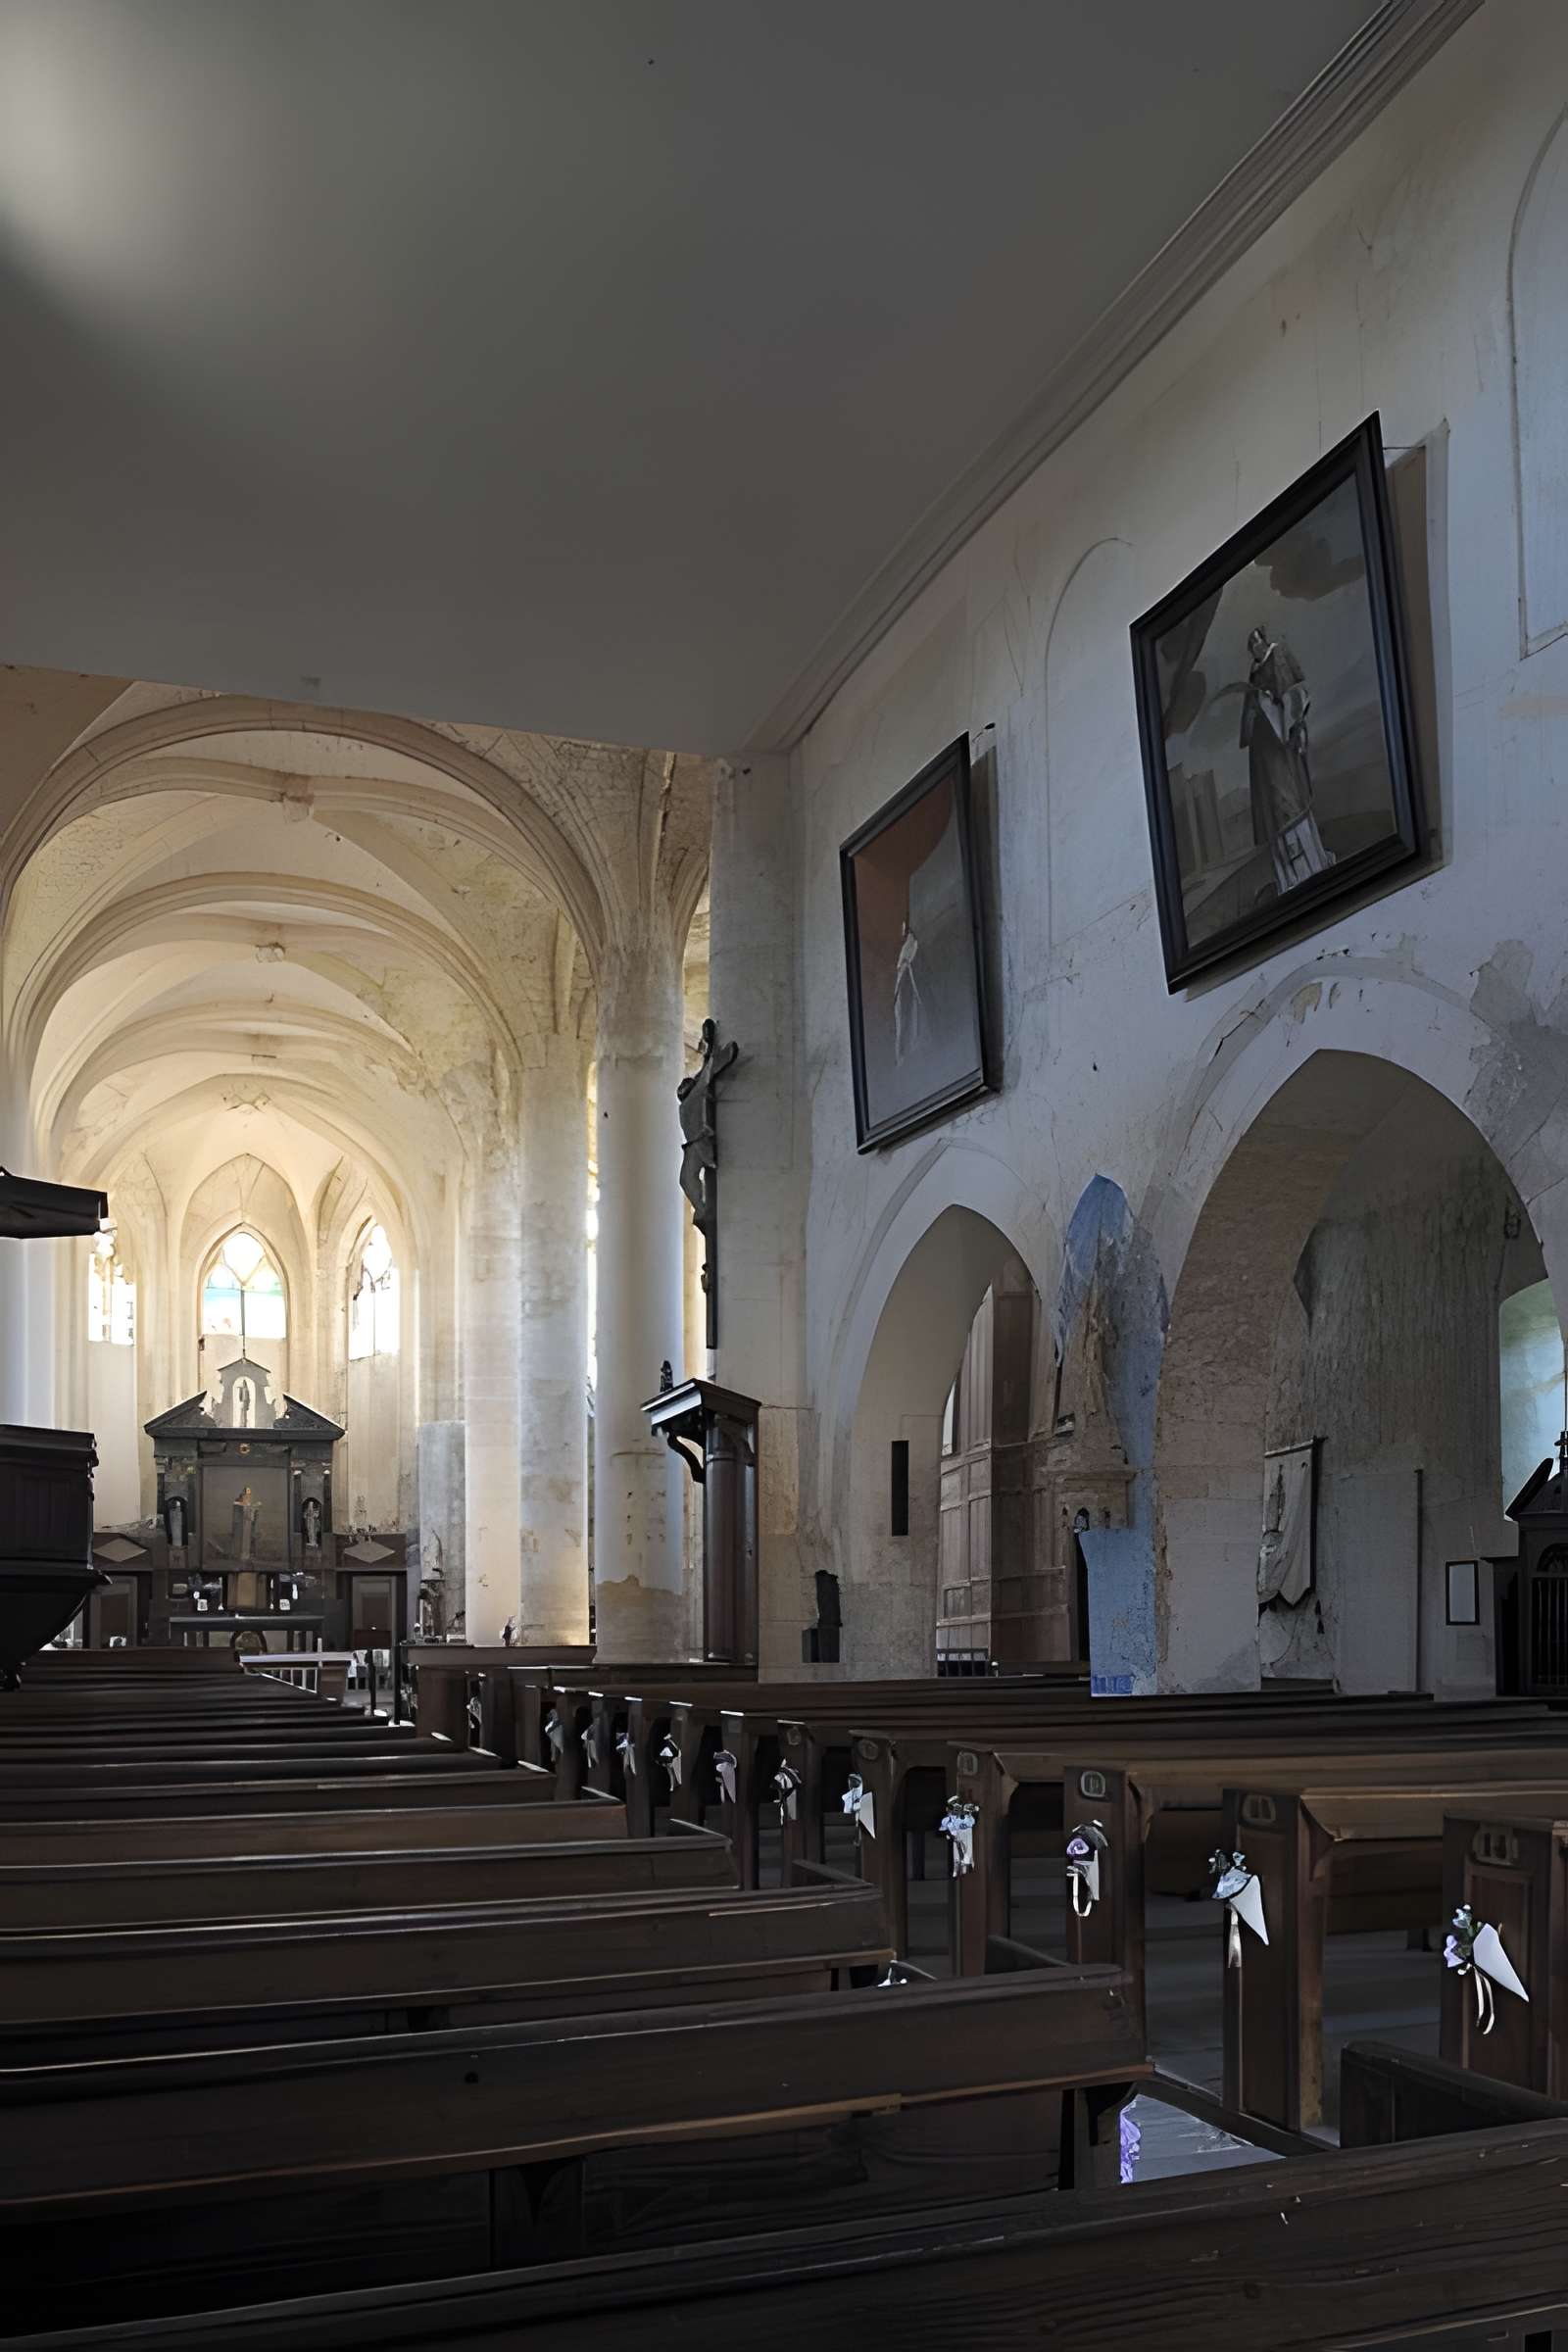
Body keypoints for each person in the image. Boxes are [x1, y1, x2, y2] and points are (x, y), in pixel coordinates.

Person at [1239, 624, 1335, 895]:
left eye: (1257, 643)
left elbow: (1294, 692)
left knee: (1291, 798)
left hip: (1283, 740)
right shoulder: (1254, 674)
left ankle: (1312, 865)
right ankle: (1289, 877)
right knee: (1275, 802)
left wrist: (1282, 710)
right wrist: (1259, 706)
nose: (1256, 649)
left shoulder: (1278, 654)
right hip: (1265, 745)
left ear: (1263, 642)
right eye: (1252, 647)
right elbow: (1249, 716)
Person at [893, 918, 922, 1065]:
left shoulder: (912, 943)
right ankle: (901, 1055)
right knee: (902, 1021)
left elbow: (907, 963)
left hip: (906, 982)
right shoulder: (905, 946)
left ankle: (907, 1051)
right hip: (902, 983)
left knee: (910, 1017)